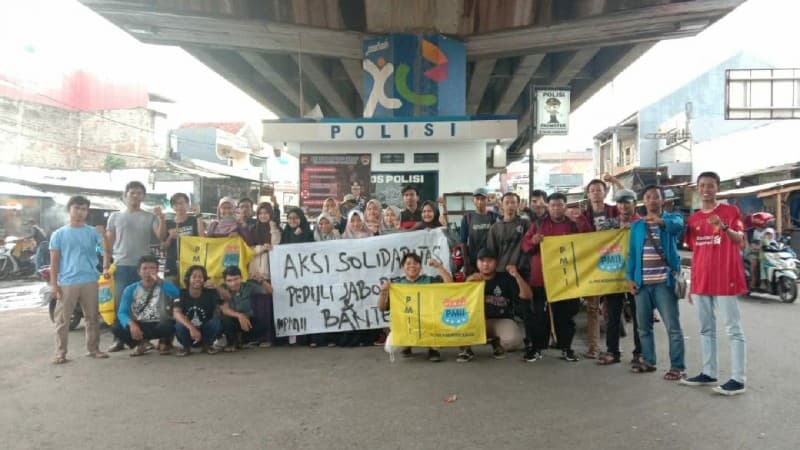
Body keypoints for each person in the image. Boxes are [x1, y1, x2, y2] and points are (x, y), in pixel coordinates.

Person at [681, 171, 748, 395]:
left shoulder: (730, 211)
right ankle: (709, 372)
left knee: (733, 328)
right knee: (705, 328)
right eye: (702, 185)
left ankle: (738, 379)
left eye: (710, 185)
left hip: (725, 278)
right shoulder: (693, 219)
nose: (706, 189)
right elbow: (697, 253)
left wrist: (724, 226)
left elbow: (740, 240)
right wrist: (692, 284)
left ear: (717, 188)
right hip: (702, 280)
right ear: (697, 189)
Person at [625, 185, 687, 380]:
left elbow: (677, 227)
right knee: (643, 327)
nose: (652, 200)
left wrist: (660, 221)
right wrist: (630, 278)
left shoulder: (672, 219)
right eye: (648, 197)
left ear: (662, 200)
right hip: (642, 284)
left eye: (656, 196)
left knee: (673, 327)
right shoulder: (637, 226)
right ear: (644, 201)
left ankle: (677, 367)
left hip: (664, 283)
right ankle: (649, 361)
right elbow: (632, 254)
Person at [521, 192, 591, 362]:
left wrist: (580, 220)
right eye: (553, 205)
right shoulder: (538, 224)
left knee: (565, 315)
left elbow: (588, 240)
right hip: (541, 278)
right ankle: (537, 348)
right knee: (540, 315)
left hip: (567, 279)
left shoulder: (573, 224)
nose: (556, 209)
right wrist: (533, 241)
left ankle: (566, 348)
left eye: (560, 205)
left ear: (565, 206)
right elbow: (525, 246)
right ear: (548, 207)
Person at [49, 196, 108, 364]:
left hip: (90, 279)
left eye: (83, 209)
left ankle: (93, 349)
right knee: (62, 319)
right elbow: (54, 262)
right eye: (76, 208)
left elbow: (104, 250)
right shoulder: (59, 234)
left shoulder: (92, 232)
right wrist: (54, 285)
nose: (80, 212)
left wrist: (103, 236)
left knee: (92, 317)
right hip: (67, 281)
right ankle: (60, 352)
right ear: (69, 210)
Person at [104, 181, 161, 352]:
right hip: (121, 265)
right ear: (125, 195)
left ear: (143, 196)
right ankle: (119, 339)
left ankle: (144, 339)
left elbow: (160, 236)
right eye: (132, 193)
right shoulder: (115, 217)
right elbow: (108, 244)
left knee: (143, 304)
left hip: (143, 268)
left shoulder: (150, 217)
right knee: (120, 303)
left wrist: (162, 218)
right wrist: (106, 265)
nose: (135, 196)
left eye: (139, 193)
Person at [377, 252, 453, 362]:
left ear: (420, 267)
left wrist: (439, 266)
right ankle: (406, 344)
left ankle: (433, 349)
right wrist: (383, 293)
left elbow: (450, 285)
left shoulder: (429, 281)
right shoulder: (397, 285)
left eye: (416, 263)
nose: (412, 266)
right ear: (403, 267)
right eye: (408, 263)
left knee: (435, 321)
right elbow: (382, 308)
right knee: (394, 338)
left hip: (428, 321)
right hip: (407, 323)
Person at [457, 248, 529, 362]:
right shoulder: (472, 279)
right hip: (478, 321)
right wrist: (467, 283)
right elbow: (458, 304)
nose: (485, 264)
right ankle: (468, 348)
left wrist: (517, 276)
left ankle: (496, 342)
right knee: (456, 327)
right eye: (482, 261)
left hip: (501, 320)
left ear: (497, 262)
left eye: (489, 261)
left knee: (513, 341)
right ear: (477, 263)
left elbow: (527, 296)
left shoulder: (506, 278)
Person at [598, 188, 643, 366]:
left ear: (635, 204)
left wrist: (632, 231)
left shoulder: (643, 224)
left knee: (639, 317)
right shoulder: (609, 224)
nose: (623, 206)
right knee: (613, 315)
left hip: (637, 276)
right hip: (614, 275)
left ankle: (640, 353)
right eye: (620, 203)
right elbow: (596, 241)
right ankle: (612, 351)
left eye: (627, 202)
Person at [580, 178, 622, 359]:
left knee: (613, 308)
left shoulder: (615, 211)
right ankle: (594, 346)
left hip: (614, 263)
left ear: (605, 193)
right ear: (588, 194)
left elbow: (628, 200)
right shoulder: (583, 217)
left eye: (599, 190)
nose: (596, 193)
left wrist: (616, 182)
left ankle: (613, 348)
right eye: (593, 190)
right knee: (592, 307)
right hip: (592, 266)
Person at [111, 255, 179, 356]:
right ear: (139, 272)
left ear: (157, 271)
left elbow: (176, 293)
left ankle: (165, 341)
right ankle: (140, 344)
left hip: (159, 323)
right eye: (145, 268)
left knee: (170, 324)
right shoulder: (130, 289)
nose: (148, 271)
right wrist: (132, 324)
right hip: (140, 324)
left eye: (152, 268)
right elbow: (122, 312)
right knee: (116, 326)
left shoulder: (163, 285)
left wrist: (160, 281)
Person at [173, 265, 230, 356]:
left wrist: (216, 286)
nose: (197, 279)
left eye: (200, 277)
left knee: (216, 322)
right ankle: (186, 347)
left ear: (205, 280)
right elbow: (176, 313)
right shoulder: (181, 293)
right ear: (188, 279)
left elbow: (228, 298)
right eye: (194, 276)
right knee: (179, 325)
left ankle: (207, 346)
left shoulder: (210, 292)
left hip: (205, 331)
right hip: (188, 330)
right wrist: (192, 328)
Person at [219, 265, 272, 351]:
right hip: (231, 320)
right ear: (225, 281)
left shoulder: (248, 286)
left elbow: (269, 291)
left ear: (241, 278)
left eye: (236, 279)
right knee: (225, 320)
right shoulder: (221, 289)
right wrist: (240, 316)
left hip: (247, 320)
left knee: (262, 325)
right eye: (229, 280)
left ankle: (243, 340)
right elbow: (225, 310)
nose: (233, 283)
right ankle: (231, 343)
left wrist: (262, 281)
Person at [159, 193, 204, 285]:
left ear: (187, 205)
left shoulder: (194, 220)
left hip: (190, 264)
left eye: (181, 203)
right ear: (172, 207)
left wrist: (198, 215)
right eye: (175, 204)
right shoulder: (168, 223)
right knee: (170, 291)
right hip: (171, 264)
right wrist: (170, 237)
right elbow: (163, 247)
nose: (179, 206)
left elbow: (202, 238)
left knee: (189, 291)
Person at [486, 193, 530, 272]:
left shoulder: (525, 223)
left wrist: (527, 210)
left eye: (513, 202)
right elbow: (491, 251)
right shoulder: (494, 228)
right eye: (507, 202)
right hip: (501, 270)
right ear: (502, 205)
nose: (510, 205)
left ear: (517, 205)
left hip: (521, 270)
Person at [460, 188, 500, 274]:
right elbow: (463, 242)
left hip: (491, 260)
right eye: (477, 199)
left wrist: (499, 204)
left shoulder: (494, 217)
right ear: (473, 200)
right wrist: (466, 263)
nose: (480, 202)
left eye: (482, 199)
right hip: (474, 262)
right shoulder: (467, 218)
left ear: (487, 200)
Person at [246, 202, 281, 280]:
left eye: (266, 213)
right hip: (255, 267)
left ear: (270, 214)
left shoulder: (276, 228)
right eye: (260, 213)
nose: (263, 216)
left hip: (272, 267)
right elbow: (249, 249)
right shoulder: (253, 229)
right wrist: (262, 248)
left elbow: (276, 244)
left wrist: (273, 227)